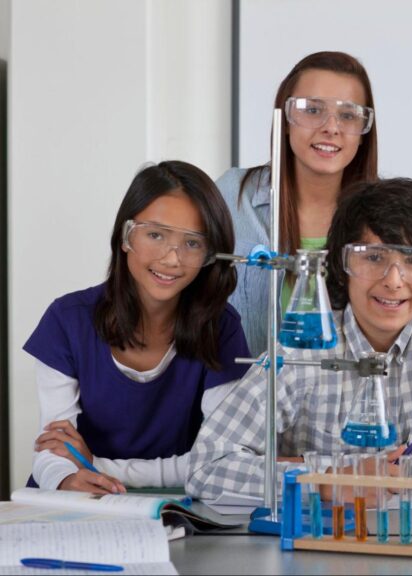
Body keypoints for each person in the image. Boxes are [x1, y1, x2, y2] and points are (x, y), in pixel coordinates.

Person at [187, 179, 412, 500]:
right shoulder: (307, 344)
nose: (394, 281)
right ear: (342, 265)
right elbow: (206, 465)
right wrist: (327, 481)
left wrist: (301, 466)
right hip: (307, 540)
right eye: (374, 258)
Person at [26, 161, 250, 494]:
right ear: (125, 236)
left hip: (173, 510)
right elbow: (54, 448)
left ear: (210, 254)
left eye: (192, 243)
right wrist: (68, 478)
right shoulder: (66, 320)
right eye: (156, 235)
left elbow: (221, 460)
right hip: (72, 500)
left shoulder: (221, 328)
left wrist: (97, 467)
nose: (172, 259)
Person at [220, 51, 378, 356]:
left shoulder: (388, 214)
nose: (331, 127)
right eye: (312, 110)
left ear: (363, 132)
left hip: (350, 401)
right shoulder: (231, 195)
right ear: (286, 120)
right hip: (247, 399)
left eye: (348, 115)